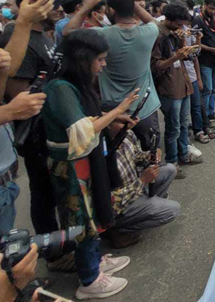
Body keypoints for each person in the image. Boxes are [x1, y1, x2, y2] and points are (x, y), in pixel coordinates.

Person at [42, 29, 139, 299]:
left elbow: (93, 117)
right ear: (83, 60)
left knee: (93, 212)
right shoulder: (60, 88)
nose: (103, 65)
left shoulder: (77, 85)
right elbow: (84, 129)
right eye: (100, 60)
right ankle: (89, 279)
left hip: (86, 161)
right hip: (71, 166)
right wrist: (119, 111)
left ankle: (95, 261)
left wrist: (115, 115)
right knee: (81, 219)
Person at [0, 0, 63, 243]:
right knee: (44, 192)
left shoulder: (41, 34)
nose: (60, 8)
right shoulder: (17, 34)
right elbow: (16, 93)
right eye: (53, 1)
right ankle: (52, 251)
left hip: (49, 128)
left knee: (52, 191)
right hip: (36, 133)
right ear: (33, 2)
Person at [65, 0, 163, 150]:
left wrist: (87, 6)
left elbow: (68, 31)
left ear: (110, 9)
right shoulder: (149, 32)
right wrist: (130, 0)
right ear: (132, 8)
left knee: (120, 155)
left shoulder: (101, 35)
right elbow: (152, 21)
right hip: (145, 107)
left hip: (113, 111)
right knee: (151, 154)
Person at [106, 125, 179, 249]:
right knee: (172, 210)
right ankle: (117, 230)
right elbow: (110, 202)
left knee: (170, 170)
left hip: (135, 187)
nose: (131, 121)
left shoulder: (127, 134)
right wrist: (142, 181)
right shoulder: (102, 152)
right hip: (120, 204)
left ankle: (147, 208)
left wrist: (150, 155)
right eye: (122, 118)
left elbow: (136, 154)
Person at [151, 3, 202, 175]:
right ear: (169, 20)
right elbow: (156, 65)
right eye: (179, 23)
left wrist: (182, 42)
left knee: (183, 124)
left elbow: (182, 55)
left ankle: (183, 154)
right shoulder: (158, 35)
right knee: (173, 127)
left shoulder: (173, 33)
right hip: (170, 88)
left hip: (183, 83)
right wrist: (176, 57)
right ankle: (172, 163)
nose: (182, 27)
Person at [193, 0, 215, 122]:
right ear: (205, 5)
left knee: (213, 89)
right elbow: (196, 44)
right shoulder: (197, 20)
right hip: (204, 60)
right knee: (206, 90)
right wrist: (212, 50)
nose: (213, 11)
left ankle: (211, 112)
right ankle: (204, 116)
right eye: (211, 8)